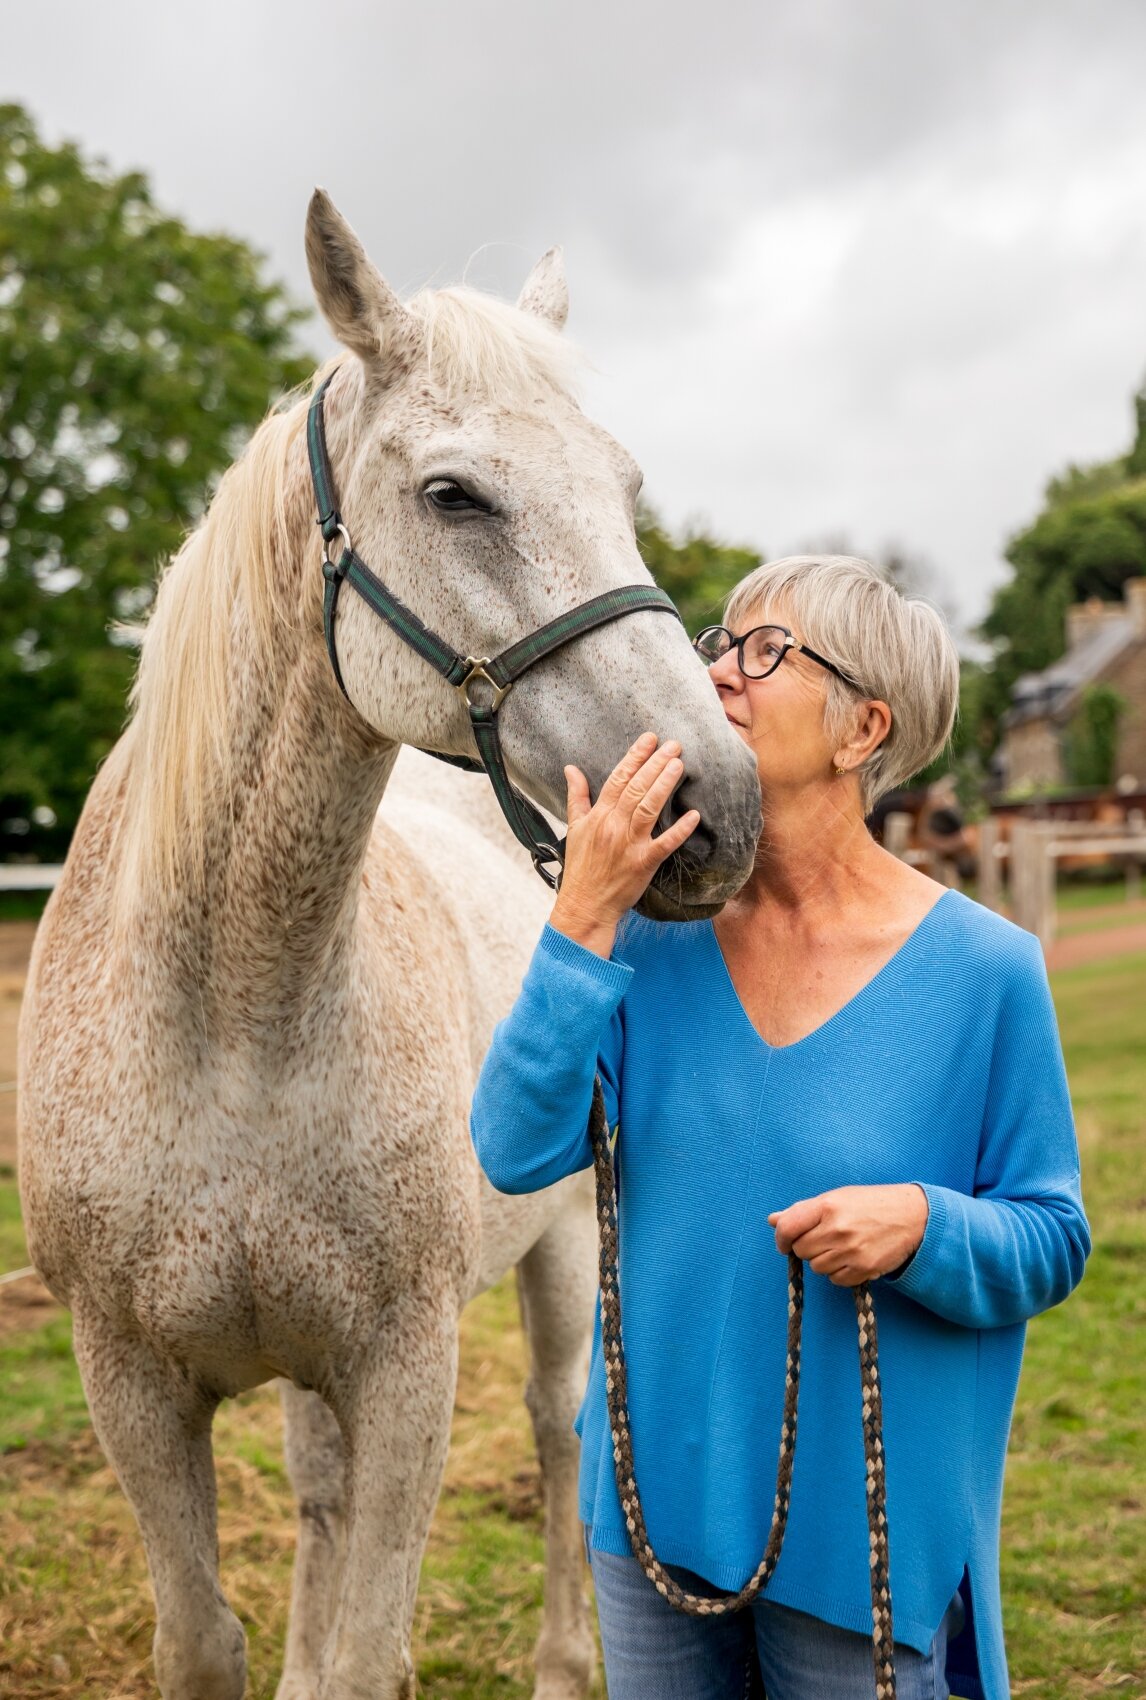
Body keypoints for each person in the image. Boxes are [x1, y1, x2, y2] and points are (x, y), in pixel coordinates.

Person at [471, 555, 1089, 1700]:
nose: (717, 671)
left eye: (766, 651)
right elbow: (511, 1146)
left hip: (862, 1538)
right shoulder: (649, 940)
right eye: (721, 643)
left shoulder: (986, 973)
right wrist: (582, 918)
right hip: (649, 1513)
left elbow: (1052, 1234)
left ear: (864, 728)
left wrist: (925, 1225)